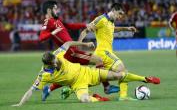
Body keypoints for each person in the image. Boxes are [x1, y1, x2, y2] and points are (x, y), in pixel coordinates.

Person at [12, 41, 160, 107]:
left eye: (56, 60)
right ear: (48, 65)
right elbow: (31, 90)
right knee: (84, 100)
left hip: (87, 73)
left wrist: (85, 45)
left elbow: (68, 43)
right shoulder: (43, 75)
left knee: (119, 75)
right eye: (54, 62)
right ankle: (96, 98)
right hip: (78, 85)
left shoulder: (57, 54)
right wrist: (20, 104)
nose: (57, 62)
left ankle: (145, 79)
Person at [78, 3, 160, 100]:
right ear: (113, 10)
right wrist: (79, 44)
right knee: (121, 69)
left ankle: (74, 88)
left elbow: (112, 30)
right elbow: (85, 31)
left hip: (107, 52)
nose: (120, 17)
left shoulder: (111, 22)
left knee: (100, 76)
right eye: (120, 14)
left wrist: (126, 28)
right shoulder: (101, 19)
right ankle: (142, 81)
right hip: (102, 52)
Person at [39, 0, 119, 101]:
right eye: (55, 8)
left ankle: (49, 90)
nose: (57, 10)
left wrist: (84, 25)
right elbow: (41, 37)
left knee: (73, 76)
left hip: (70, 52)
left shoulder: (57, 20)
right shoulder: (48, 21)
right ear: (49, 10)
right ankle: (107, 87)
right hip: (71, 53)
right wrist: (53, 33)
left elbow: (69, 26)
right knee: (98, 60)